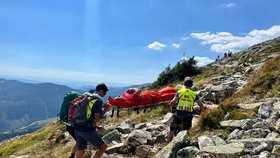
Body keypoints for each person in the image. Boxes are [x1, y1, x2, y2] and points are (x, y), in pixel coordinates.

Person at [75, 83, 110, 158]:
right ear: (101, 91)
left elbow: (87, 115)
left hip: (77, 127)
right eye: (105, 92)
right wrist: (105, 109)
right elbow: (97, 119)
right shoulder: (97, 101)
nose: (105, 94)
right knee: (103, 147)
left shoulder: (87, 97)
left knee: (81, 150)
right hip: (86, 130)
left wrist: (96, 127)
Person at [166, 77, 205, 142]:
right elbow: (200, 104)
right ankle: (185, 144)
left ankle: (166, 144)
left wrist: (169, 107)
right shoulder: (194, 94)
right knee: (187, 130)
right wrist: (202, 111)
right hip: (188, 115)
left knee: (172, 129)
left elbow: (173, 102)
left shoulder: (179, 92)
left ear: (184, 84)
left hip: (179, 114)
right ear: (192, 85)